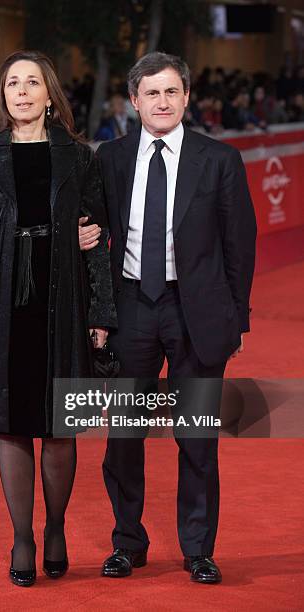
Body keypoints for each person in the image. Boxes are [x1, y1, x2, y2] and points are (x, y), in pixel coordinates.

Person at [0, 49, 117, 587]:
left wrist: (102, 310)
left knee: (60, 427)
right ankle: (23, 537)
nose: (21, 91)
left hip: (63, 303)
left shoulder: (79, 157)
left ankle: (57, 527)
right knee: (11, 425)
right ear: (2, 95)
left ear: (48, 93)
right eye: (12, 83)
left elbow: (95, 242)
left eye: (32, 82)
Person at [79, 52, 256, 583]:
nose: (162, 101)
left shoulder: (220, 159)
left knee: (197, 438)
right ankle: (127, 543)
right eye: (151, 93)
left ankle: (198, 549)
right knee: (124, 439)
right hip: (130, 309)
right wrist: (88, 256)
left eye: (172, 92)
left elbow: (239, 247)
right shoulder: (108, 157)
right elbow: (92, 234)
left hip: (195, 314)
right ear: (134, 101)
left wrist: (236, 321)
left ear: (186, 98)